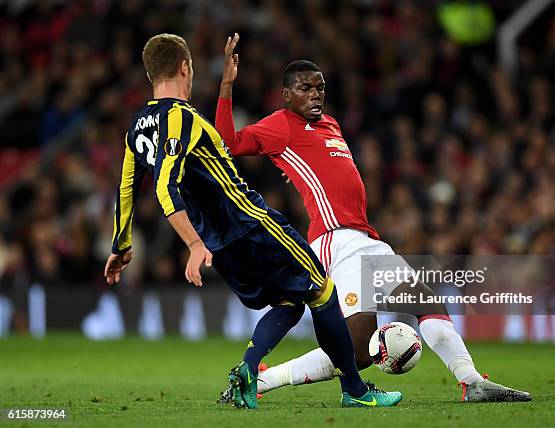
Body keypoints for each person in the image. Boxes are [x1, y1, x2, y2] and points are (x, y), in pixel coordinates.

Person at [215, 34, 531, 402]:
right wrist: (226, 85)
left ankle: (472, 381)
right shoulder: (280, 124)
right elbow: (229, 142)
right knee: (359, 350)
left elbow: (323, 168)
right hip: (337, 241)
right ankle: (264, 381)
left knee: (427, 302)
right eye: (305, 88)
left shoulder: (330, 124)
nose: (316, 94)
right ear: (287, 95)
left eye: (320, 88)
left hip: (367, 240)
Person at [103, 33, 402, 409]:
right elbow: (165, 184)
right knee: (323, 292)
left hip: (221, 244)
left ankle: (247, 370)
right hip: (253, 224)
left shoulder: (137, 126)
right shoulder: (182, 118)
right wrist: (192, 244)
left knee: (289, 302)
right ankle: (355, 391)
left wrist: (121, 245)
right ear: (185, 68)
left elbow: (127, 187)